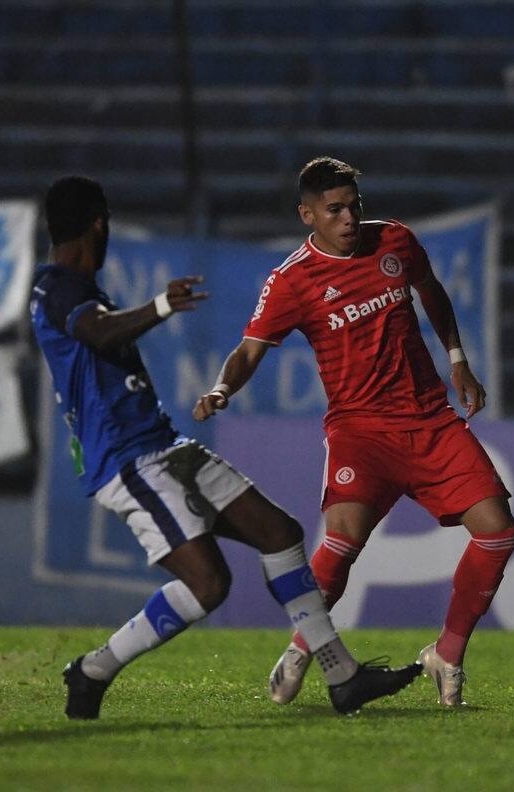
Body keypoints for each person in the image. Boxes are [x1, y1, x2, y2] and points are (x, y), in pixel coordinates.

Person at [30, 175, 420, 719]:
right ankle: (93, 669)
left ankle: (342, 676)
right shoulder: (58, 289)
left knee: (279, 533)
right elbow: (98, 333)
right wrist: (159, 306)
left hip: (163, 446)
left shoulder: (74, 291)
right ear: (100, 223)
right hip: (128, 459)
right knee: (208, 584)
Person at [194, 157, 514, 708]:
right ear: (308, 215)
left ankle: (447, 653)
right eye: (335, 210)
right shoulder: (292, 280)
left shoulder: (394, 241)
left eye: (354, 206)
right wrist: (223, 389)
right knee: (341, 544)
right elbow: (249, 350)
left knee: (498, 532)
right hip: (360, 430)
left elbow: (431, 292)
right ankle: (301, 649)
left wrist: (457, 359)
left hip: (430, 420)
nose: (348, 219)